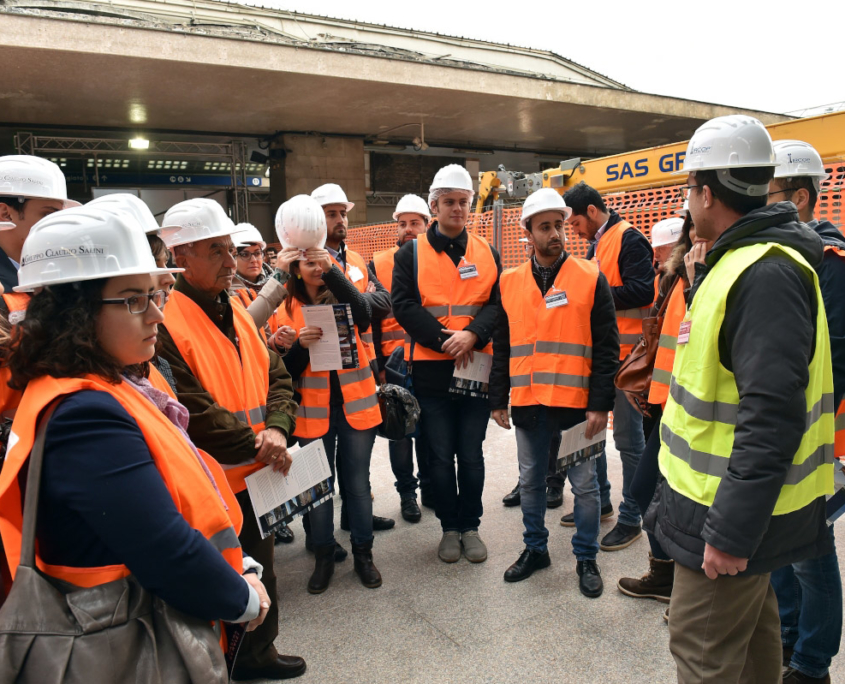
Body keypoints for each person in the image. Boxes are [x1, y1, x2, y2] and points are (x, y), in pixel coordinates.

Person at [0, 206, 287, 682]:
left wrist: (241, 563)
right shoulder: (84, 414)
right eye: (134, 299)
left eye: (154, 294)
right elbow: (164, 549)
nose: (156, 313)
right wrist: (241, 596)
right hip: (121, 640)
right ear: (76, 311)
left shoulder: (110, 384)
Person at [646, 115, 834, 683]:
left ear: (707, 191)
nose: (685, 200)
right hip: (728, 505)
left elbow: (771, 416)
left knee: (704, 656)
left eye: (686, 187)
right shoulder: (742, 260)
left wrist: (729, 533)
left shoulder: (762, 273)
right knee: (753, 650)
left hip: (724, 515)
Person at [155, 198, 304, 682]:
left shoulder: (238, 307)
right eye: (215, 250)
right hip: (209, 482)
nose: (228, 260)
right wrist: (261, 443)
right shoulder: (165, 321)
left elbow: (277, 375)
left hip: (258, 470)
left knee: (262, 571)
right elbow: (193, 409)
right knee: (219, 578)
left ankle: (258, 656)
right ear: (180, 257)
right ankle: (219, 665)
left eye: (228, 248)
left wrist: (279, 429)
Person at [490, 189, 619, 596]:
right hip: (529, 402)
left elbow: (606, 347)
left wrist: (601, 404)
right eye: (544, 227)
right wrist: (498, 398)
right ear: (527, 231)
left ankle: (586, 557)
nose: (555, 234)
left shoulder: (589, 276)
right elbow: (502, 344)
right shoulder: (508, 282)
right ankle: (535, 549)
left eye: (559, 225)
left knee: (584, 486)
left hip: (578, 406)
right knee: (530, 481)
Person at [392, 164, 502, 564]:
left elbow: (496, 304)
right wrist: (444, 341)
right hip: (433, 370)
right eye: (449, 202)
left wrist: (473, 335)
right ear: (434, 206)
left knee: (470, 453)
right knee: (438, 454)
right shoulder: (411, 254)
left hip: (475, 367)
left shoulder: (487, 253)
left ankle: (470, 526)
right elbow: (403, 306)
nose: (457, 209)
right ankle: (449, 529)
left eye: (463, 202)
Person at [273, 195, 383, 594]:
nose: (316, 270)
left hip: (357, 408)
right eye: (308, 264)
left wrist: (332, 268)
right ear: (296, 268)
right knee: (319, 490)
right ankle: (322, 556)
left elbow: (367, 312)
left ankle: (364, 555)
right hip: (313, 415)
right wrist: (299, 344)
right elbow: (285, 372)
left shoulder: (346, 292)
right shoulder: (284, 307)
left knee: (357, 485)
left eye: (321, 263)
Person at [767, 139, 845, 684]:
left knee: (810, 553)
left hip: (818, 435)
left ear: (798, 197)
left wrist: (791, 428)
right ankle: (788, 636)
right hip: (782, 432)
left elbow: (834, 359)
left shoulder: (831, 263)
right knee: (780, 544)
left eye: (766, 193)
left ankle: (812, 662)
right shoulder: (781, 256)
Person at [617, 210, 704, 606]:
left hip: (690, 406)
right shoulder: (675, 277)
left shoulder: (708, 275)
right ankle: (665, 574)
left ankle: (685, 585)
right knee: (647, 489)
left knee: (676, 497)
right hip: (661, 400)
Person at [563, 182, 655, 550]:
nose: (573, 231)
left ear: (591, 211)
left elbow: (642, 290)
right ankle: (601, 502)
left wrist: (591, 294)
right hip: (604, 356)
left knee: (628, 442)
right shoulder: (597, 243)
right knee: (593, 433)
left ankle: (632, 516)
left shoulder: (628, 238)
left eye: (573, 223)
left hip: (628, 360)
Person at [311, 183, 395, 533]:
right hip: (320, 378)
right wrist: (362, 301)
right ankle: (321, 542)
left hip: (360, 370)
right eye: (332, 214)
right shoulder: (307, 262)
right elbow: (360, 307)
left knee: (356, 466)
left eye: (342, 213)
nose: (341, 219)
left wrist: (363, 302)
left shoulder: (357, 259)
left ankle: (354, 520)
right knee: (322, 474)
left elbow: (383, 302)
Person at [370, 193, 433, 521]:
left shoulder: (436, 260)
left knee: (430, 427)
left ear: (426, 225)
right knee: (400, 431)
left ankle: (431, 488)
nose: (408, 229)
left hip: (429, 360)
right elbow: (373, 320)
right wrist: (380, 367)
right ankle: (407, 494)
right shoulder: (379, 263)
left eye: (415, 223)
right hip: (394, 364)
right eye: (403, 223)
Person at [0, 155, 80, 291]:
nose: (57, 225)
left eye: (60, 216)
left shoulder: (67, 274)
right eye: (48, 214)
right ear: (5, 214)